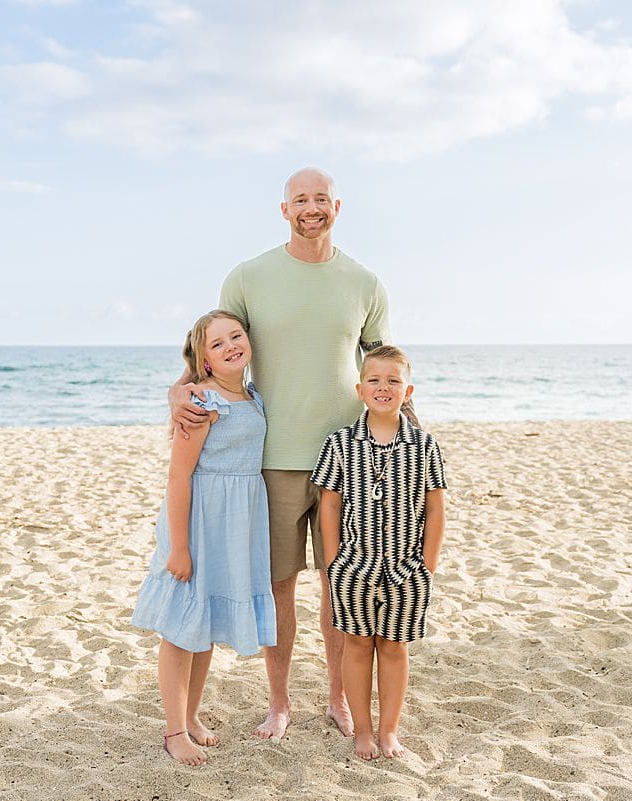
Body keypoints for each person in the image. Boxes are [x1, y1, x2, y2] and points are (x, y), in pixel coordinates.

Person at [170, 167, 415, 741]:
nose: (311, 208)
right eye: (300, 199)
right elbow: (214, 348)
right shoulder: (248, 277)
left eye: (320, 199)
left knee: (340, 585)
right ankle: (278, 703)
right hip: (271, 460)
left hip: (347, 460)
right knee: (279, 588)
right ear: (284, 210)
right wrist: (179, 390)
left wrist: (410, 425)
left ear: (337, 207)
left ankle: (338, 699)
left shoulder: (366, 283)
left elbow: (382, 367)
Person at [132, 309, 277, 766]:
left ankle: (191, 716)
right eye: (217, 343)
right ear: (205, 360)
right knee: (181, 628)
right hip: (198, 524)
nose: (231, 346)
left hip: (234, 527)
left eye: (236, 336)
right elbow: (179, 477)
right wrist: (179, 547)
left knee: (205, 625)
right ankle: (174, 731)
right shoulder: (203, 402)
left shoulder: (252, 395)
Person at [311, 345, 446, 760]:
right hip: (354, 567)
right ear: (360, 389)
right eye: (374, 380)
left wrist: (427, 566)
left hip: (407, 569)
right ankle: (364, 732)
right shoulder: (339, 444)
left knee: (393, 648)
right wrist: (334, 562)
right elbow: (329, 505)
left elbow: (435, 508)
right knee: (356, 645)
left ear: (408, 391)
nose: (383, 387)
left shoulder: (424, 446)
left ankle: (389, 731)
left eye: (393, 381)